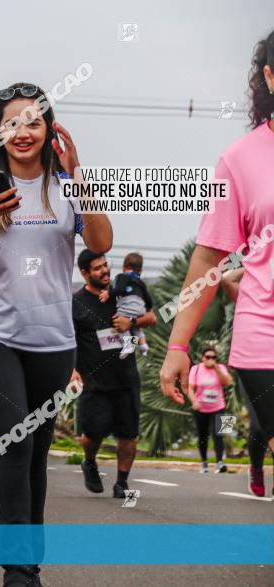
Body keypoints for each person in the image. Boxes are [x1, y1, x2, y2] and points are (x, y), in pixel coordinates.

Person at [0, 82, 112, 587]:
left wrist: (78, 172)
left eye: (34, 122)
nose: (23, 132)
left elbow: (100, 241)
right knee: (14, 441)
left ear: (50, 131)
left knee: (34, 451)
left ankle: (30, 566)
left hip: (53, 342)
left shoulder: (66, 188)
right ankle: (17, 571)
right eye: (12, 122)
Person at [160, 30, 274, 485]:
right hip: (265, 336)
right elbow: (208, 261)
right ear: (269, 76)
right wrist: (176, 347)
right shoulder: (240, 159)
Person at [72, 250, 157, 500]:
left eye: (106, 266)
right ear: (85, 273)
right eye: (97, 268)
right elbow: (66, 340)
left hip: (126, 378)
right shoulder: (76, 303)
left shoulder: (122, 292)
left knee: (128, 434)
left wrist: (131, 324)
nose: (105, 271)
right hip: (94, 381)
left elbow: (151, 316)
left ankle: (121, 482)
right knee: (92, 433)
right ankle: (89, 461)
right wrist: (72, 370)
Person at [220, 268, 271, 495]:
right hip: (255, 364)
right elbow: (227, 278)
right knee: (260, 427)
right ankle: (257, 468)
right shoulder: (251, 302)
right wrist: (256, 262)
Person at [188, 347, 234, 473]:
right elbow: (190, 389)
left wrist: (217, 368)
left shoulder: (221, 368)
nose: (210, 360)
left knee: (219, 434)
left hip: (219, 407)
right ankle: (204, 463)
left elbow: (229, 382)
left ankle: (220, 463)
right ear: (203, 358)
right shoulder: (196, 369)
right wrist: (194, 401)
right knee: (202, 436)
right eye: (208, 357)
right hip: (200, 408)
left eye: (213, 357)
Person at [98, 252, 152, 358]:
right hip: (141, 307)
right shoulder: (141, 282)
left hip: (128, 305)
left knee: (119, 321)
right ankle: (143, 345)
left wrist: (108, 293)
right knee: (136, 328)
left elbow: (119, 288)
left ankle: (129, 344)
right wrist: (148, 307)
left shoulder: (121, 277)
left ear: (123, 268)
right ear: (140, 271)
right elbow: (148, 299)